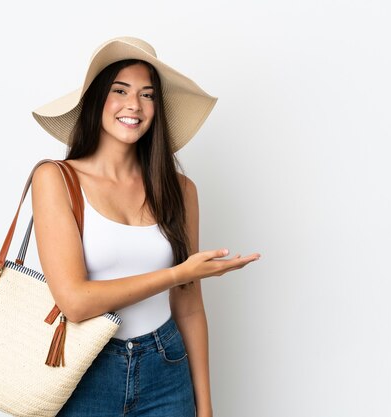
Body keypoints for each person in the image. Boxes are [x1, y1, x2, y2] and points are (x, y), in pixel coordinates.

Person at [30, 37, 260, 417]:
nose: (134, 105)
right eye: (120, 90)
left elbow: (188, 307)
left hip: (166, 368)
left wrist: (205, 408)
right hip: (86, 372)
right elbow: (74, 301)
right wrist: (175, 274)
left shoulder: (180, 190)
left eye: (147, 94)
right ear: (97, 100)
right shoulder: (56, 179)